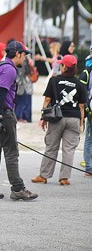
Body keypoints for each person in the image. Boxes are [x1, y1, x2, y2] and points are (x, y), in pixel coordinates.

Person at [0, 40, 38, 201]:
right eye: (24, 55)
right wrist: (0, 116)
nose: (24, 58)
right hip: (3, 114)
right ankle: (18, 189)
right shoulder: (9, 69)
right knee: (11, 152)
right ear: (17, 54)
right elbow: (2, 92)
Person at [31, 54, 87, 186]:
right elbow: (81, 106)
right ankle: (64, 178)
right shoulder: (79, 84)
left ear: (64, 67)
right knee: (69, 149)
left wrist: (43, 117)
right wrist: (80, 122)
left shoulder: (54, 80)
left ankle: (44, 176)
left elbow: (47, 99)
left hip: (57, 118)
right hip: (73, 119)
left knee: (51, 147)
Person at [81, 47, 92, 177]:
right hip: (90, 110)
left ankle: (89, 167)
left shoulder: (87, 68)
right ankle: (89, 167)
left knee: (89, 138)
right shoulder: (88, 70)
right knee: (89, 138)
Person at [14, 54, 35, 122]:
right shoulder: (26, 58)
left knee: (21, 101)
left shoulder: (22, 59)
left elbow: (21, 72)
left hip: (23, 83)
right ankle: (25, 117)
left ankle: (21, 117)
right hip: (26, 83)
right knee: (26, 100)